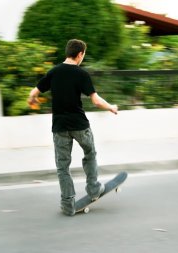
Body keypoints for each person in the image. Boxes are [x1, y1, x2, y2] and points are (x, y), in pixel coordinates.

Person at [27, 39, 118, 216]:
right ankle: (93, 188)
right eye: (83, 54)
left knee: (63, 167)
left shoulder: (53, 72)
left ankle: (68, 203)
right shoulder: (81, 74)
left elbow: (34, 92)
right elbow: (96, 101)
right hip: (79, 125)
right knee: (90, 154)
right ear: (80, 54)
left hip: (60, 127)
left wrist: (32, 100)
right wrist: (111, 108)